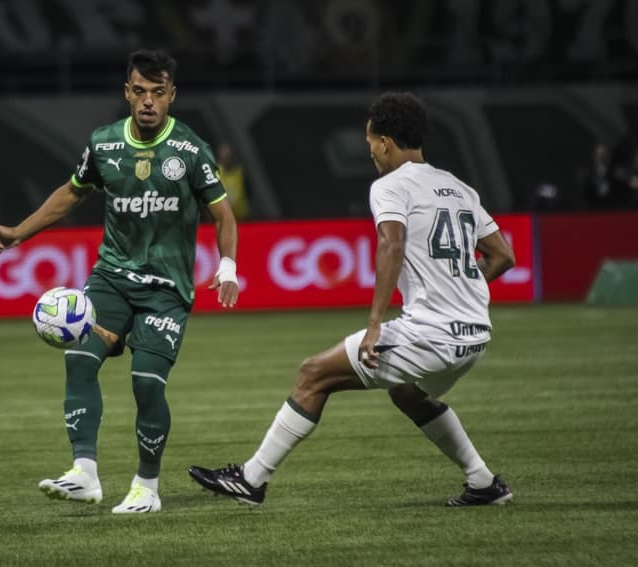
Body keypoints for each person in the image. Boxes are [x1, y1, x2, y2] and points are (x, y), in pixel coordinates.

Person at [189, 92, 516, 507]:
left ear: (385, 142)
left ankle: (251, 480)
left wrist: (376, 322)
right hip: (474, 336)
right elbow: (503, 255)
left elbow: (391, 246)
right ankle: (484, 483)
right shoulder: (458, 187)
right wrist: (469, 289)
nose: (370, 150)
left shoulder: (390, 186)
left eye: (370, 141)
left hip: (431, 334)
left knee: (313, 374)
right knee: (407, 393)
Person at [0, 49, 240, 514]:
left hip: (166, 289)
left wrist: (227, 267)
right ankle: (85, 474)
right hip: (112, 278)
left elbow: (223, 214)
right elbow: (70, 194)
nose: (147, 102)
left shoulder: (190, 149)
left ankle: (147, 486)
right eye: (139, 91)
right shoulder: (103, 144)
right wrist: (18, 233)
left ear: (172, 97)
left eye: (158, 93)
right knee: (80, 356)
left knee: (147, 384)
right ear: (127, 92)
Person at [216, 142, 250, 220]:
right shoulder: (214, 172)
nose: (226, 159)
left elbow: (249, 192)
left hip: (240, 216)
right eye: (224, 156)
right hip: (221, 218)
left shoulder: (241, 172)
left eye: (228, 156)